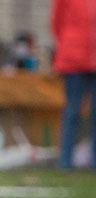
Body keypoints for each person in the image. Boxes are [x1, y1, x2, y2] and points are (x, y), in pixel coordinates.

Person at [51, 0, 96, 169]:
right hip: (73, 58)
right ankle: (65, 161)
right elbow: (57, 22)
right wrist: (70, 42)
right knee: (72, 110)